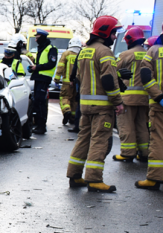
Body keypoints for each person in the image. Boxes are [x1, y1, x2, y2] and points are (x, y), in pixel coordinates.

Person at [66, 16, 124, 193]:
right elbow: (107, 80)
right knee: (99, 141)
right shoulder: (105, 52)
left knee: (83, 139)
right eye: (113, 33)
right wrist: (118, 102)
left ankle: (74, 175)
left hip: (85, 107)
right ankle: (94, 179)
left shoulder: (84, 51)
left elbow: (76, 77)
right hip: (102, 108)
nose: (114, 37)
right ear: (106, 32)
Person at [114, 27, 149, 163]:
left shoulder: (126, 55)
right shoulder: (148, 53)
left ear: (129, 40)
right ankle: (144, 153)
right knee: (141, 125)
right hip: (145, 97)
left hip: (128, 97)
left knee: (126, 124)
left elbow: (114, 71)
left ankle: (127, 153)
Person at [136, 33, 163, 189]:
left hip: (159, 105)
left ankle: (154, 178)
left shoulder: (153, 51)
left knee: (158, 140)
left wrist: (159, 97)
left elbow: (146, 77)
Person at [29, 29, 58, 134]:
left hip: (44, 78)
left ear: (42, 37)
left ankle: (41, 127)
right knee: (38, 102)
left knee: (40, 102)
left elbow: (51, 64)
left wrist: (37, 67)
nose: (36, 40)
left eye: (37, 38)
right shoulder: (41, 48)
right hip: (39, 77)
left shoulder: (51, 49)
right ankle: (39, 125)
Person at [54, 37, 82, 126]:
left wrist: (57, 78)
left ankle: (67, 111)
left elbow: (61, 66)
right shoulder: (82, 54)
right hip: (78, 82)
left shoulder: (66, 53)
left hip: (67, 82)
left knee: (64, 97)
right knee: (74, 100)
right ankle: (73, 118)